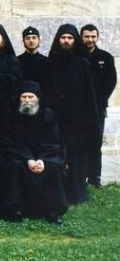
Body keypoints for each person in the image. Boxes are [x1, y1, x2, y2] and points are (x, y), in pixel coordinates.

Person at [44, 24, 101, 204]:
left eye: (69, 38)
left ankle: (76, 194)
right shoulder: (51, 62)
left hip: (77, 121)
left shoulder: (83, 63)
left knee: (77, 157)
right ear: (58, 40)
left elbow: (89, 94)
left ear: (75, 40)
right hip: (55, 120)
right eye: (63, 38)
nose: (66, 41)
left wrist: (91, 122)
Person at [0, 81, 68, 224]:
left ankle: (54, 212)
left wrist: (42, 160)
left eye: (31, 97)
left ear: (38, 98)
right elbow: (11, 143)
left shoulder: (48, 115)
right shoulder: (12, 115)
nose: (27, 100)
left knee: (53, 167)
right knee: (13, 165)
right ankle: (15, 210)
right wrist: (28, 159)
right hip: (19, 156)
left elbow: (54, 143)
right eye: (23, 96)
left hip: (45, 157)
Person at [80, 24, 117, 189]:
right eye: (86, 36)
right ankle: (79, 177)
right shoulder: (76, 57)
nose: (90, 39)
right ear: (81, 37)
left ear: (97, 37)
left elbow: (111, 81)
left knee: (95, 144)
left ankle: (95, 177)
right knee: (78, 143)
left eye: (93, 36)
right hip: (78, 109)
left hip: (97, 109)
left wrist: (99, 100)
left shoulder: (105, 57)